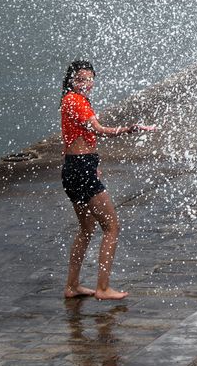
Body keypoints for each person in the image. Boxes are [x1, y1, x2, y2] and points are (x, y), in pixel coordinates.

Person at [59, 60, 156, 300]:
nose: (86, 83)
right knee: (112, 226)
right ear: (71, 80)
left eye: (90, 78)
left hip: (76, 168)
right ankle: (102, 288)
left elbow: (77, 139)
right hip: (81, 170)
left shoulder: (69, 100)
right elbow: (99, 129)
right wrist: (129, 129)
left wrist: (94, 164)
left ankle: (72, 286)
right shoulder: (76, 101)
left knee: (86, 228)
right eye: (80, 79)